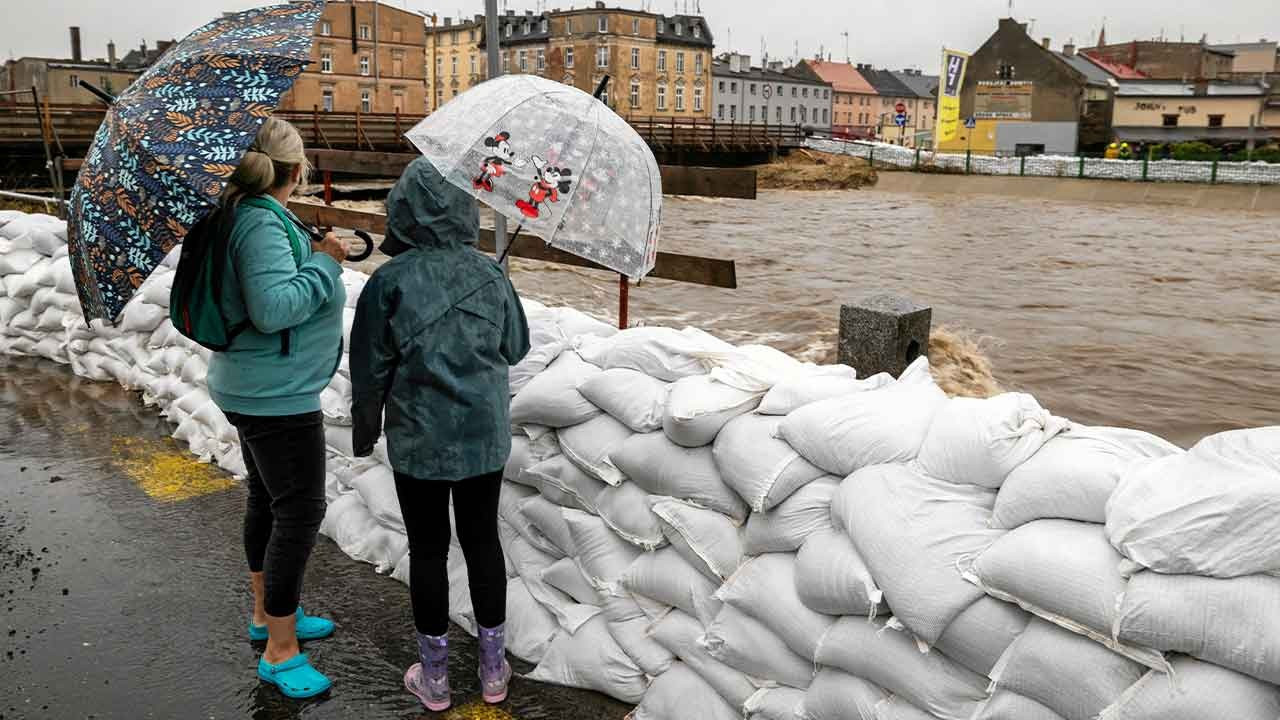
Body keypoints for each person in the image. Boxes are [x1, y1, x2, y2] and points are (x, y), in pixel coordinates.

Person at [350, 157, 530, 712]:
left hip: (419, 439)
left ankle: (434, 679)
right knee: (482, 544)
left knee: (427, 550)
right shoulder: (490, 274)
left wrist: (365, 431)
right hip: (482, 437)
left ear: (400, 212)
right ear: (461, 210)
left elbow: (369, 368)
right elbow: (515, 348)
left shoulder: (388, 282)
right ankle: (494, 670)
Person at [206, 116, 349, 699]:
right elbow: (271, 309)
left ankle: (268, 615)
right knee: (299, 511)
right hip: (275, 395)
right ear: (294, 171)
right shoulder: (259, 222)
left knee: (268, 499)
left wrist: (309, 250)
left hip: (255, 384)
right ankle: (281, 651)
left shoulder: (242, 212)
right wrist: (325, 265)